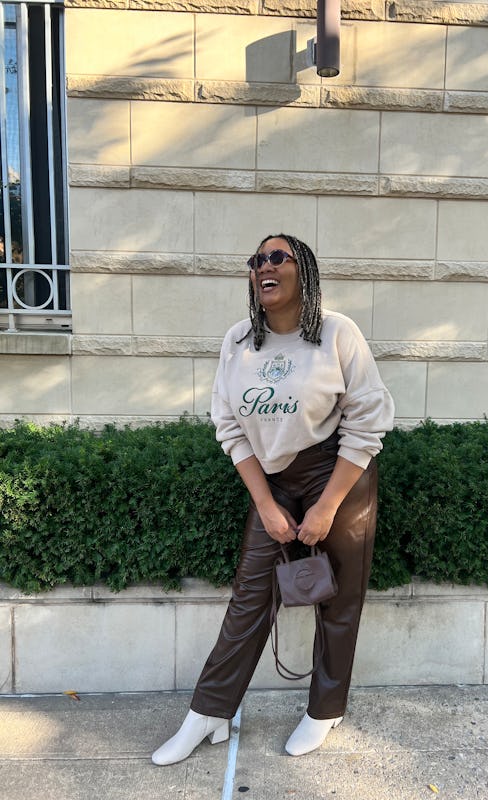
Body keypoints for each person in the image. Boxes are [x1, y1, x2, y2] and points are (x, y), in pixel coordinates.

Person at [152, 233, 394, 765]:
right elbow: (229, 429)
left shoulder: (336, 333)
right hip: (273, 479)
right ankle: (209, 712)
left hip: (339, 473)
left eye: (277, 256)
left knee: (338, 598)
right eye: (257, 260)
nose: (265, 265)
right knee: (249, 598)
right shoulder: (239, 341)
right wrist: (265, 504)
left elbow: (368, 421)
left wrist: (327, 506)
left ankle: (325, 711)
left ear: (303, 269)